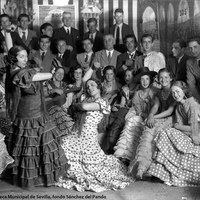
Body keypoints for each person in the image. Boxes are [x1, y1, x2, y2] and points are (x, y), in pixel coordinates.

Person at [5, 45, 68, 188]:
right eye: (21, 56)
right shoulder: (18, 73)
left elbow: (34, 82)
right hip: (28, 117)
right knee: (30, 149)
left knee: (43, 148)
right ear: (13, 58)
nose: (25, 59)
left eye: (26, 56)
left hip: (39, 114)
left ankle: (42, 178)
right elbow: (33, 76)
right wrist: (52, 73)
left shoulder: (24, 70)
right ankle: (32, 179)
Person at [55, 78, 133, 192]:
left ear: (99, 87)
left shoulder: (103, 102)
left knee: (92, 168)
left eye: (92, 85)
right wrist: (77, 104)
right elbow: (75, 107)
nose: (89, 88)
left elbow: (83, 107)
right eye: (87, 86)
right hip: (76, 133)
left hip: (88, 137)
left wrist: (77, 105)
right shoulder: (86, 99)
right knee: (60, 147)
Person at [148, 81, 200, 186]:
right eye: (173, 93)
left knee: (167, 132)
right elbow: (178, 123)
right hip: (186, 133)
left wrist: (178, 127)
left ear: (184, 91)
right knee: (164, 133)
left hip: (196, 136)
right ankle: (162, 172)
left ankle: (175, 174)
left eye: (177, 91)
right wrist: (177, 127)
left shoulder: (192, 104)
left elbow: (194, 128)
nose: (175, 95)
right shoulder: (179, 105)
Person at [128, 68, 175, 179]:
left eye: (166, 77)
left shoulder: (173, 90)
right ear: (158, 79)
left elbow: (170, 111)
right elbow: (155, 106)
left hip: (172, 118)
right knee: (148, 129)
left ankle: (146, 167)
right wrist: (150, 115)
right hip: (160, 117)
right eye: (161, 78)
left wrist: (153, 117)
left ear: (171, 78)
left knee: (154, 131)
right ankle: (140, 167)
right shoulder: (159, 92)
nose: (163, 80)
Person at [114, 67, 157, 166]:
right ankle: (123, 154)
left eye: (147, 79)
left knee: (136, 121)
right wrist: (143, 115)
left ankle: (131, 156)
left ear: (150, 80)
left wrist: (149, 115)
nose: (145, 82)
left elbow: (156, 106)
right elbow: (138, 110)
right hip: (141, 115)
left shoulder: (154, 92)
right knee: (132, 121)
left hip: (153, 116)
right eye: (142, 79)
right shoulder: (138, 94)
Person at [187, 36, 200, 103]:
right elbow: (191, 84)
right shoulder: (189, 62)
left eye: (195, 47)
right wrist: (198, 100)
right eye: (190, 48)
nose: (193, 51)